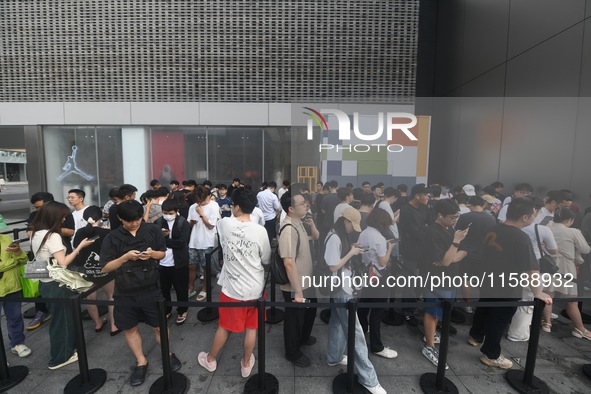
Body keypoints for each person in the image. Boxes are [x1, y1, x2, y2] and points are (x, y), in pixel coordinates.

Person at [100, 200, 182, 386]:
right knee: (129, 328)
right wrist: (125, 257)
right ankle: (141, 361)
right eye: (130, 221)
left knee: (160, 325)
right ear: (120, 218)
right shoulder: (112, 237)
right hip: (125, 290)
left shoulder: (152, 230)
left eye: (137, 219)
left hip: (151, 288)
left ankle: (167, 353)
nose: (134, 223)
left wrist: (152, 254)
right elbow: (105, 267)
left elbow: (162, 253)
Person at [468, 197, 552, 369]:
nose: (534, 218)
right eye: (533, 215)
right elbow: (531, 269)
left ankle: (475, 336)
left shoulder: (493, 228)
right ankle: (491, 354)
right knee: (499, 320)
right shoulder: (521, 238)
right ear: (525, 217)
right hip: (507, 287)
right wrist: (538, 292)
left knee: (483, 309)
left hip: (487, 280)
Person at [198, 188, 271, 378]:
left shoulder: (225, 224)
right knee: (252, 328)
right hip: (255, 288)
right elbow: (266, 258)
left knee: (225, 327)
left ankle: (211, 359)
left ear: (237, 207)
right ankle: (246, 363)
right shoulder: (260, 231)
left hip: (232, 289)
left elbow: (220, 232)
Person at [325, 208, 387, 394]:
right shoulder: (335, 237)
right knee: (356, 333)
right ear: (345, 221)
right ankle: (369, 379)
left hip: (342, 287)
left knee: (337, 323)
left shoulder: (337, 234)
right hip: (341, 288)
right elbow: (333, 265)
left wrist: (352, 253)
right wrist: (351, 253)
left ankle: (333, 357)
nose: (353, 229)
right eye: (352, 224)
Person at [30, 202, 95, 369]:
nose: (65, 218)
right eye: (63, 216)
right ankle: (60, 357)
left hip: (45, 282)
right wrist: (80, 247)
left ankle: (66, 350)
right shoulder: (53, 236)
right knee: (63, 321)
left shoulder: (36, 233)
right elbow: (64, 263)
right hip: (57, 284)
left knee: (60, 320)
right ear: (54, 216)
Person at [421, 199, 467, 368]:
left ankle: (430, 336)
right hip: (436, 280)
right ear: (439, 215)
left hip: (450, 278)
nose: (455, 220)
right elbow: (448, 259)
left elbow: (463, 252)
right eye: (452, 217)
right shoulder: (433, 232)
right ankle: (429, 345)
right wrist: (455, 245)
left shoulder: (450, 229)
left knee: (440, 312)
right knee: (432, 312)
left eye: (457, 216)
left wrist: (450, 257)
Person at [278, 191, 318, 367]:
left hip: (306, 281)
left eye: (306, 202)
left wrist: (313, 225)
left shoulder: (299, 222)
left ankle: (303, 337)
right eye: (302, 203)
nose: (306, 205)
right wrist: (298, 291)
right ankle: (292, 352)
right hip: (296, 286)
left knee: (309, 311)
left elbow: (314, 237)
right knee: (294, 319)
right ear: (291, 208)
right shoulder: (288, 230)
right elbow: (288, 263)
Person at [543, 208, 591, 338]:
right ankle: (579, 329)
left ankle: (547, 323)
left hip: (549, 265)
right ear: (570, 220)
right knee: (571, 300)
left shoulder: (547, 228)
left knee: (548, 296)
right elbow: (585, 249)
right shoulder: (573, 232)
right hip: (566, 267)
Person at [357, 208, 398, 359]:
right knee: (377, 312)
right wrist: (390, 248)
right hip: (379, 277)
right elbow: (383, 261)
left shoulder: (364, 232)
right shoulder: (379, 238)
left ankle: (360, 331)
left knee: (364, 305)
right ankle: (377, 346)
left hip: (366, 274)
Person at [72, 206, 118, 335]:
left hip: (86, 271)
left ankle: (98, 323)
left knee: (90, 298)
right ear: (101, 217)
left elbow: (76, 248)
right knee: (111, 297)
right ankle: (114, 326)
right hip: (106, 270)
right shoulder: (107, 233)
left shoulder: (80, 232)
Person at [154, 199, 191, 325]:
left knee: (181, 288)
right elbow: (153, 241)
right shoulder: (158, 222)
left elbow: (182, 242)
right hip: (162, 263)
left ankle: (182, 310)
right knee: (164, 289)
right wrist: (167, 240)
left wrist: (164, 239)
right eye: (165, 213)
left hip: (179, 262)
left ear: (176, 211)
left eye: (170, 213)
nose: (167, 215)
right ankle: (166, 309)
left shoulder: (183, 223)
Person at [0, 230, 32, 358]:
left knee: (15, 317)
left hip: (13, 286)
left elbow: (23, 260)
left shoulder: (6, 239)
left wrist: (18, 252)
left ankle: (17, 343)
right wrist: (11, 263)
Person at [188, 185, 220, 301]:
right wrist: (191, 223)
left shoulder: (214, 206)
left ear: (207, 196)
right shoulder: (193, 207)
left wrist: (201, 214)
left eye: (200, 200)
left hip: (207, 241)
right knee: (191, 266)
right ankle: (191, 288)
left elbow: (211, 225)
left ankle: (205, 289)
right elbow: (189, 224)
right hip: (193, 241)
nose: (199, 203)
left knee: (205, 267)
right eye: (197, 200)